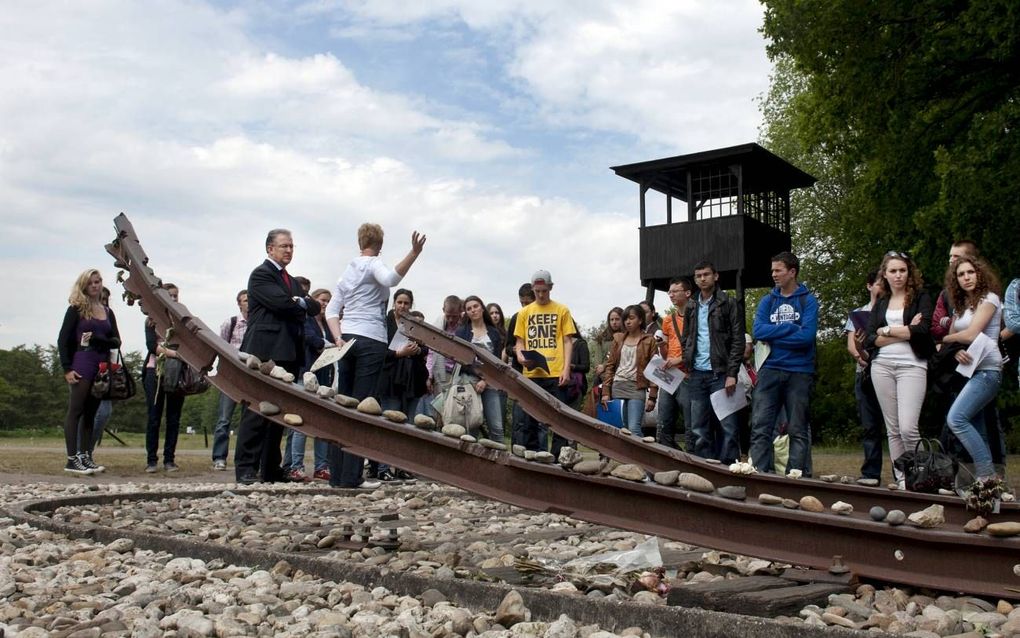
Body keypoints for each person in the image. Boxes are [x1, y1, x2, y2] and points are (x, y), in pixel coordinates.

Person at [325, 223, 426, 489]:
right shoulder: (372, 264)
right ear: (380, 245)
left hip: (346, 339)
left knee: (343, 403)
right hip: (371, 339)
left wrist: (338, 338)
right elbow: (391, 279)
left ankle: (338, 476)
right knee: (362, 406)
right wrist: (414, 253)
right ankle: (352, 476)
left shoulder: (347, 272)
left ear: (359, 242)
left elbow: (331, 311)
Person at [234, 230, 321, 484]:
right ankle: (246, 469)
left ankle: (270, 469)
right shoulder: (261, 275)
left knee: (279, 413)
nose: (289, 250)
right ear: (270, 249)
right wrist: (298, 302)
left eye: (292, 246)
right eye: (284, 246)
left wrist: (298, 301)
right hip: (265, 350)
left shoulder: (291, 280)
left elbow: (313, 307)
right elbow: (282, 304)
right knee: (256, 410)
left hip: (288, 352)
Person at [863, 251, 934, 489]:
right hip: (881, 366)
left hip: (912, 366)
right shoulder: (881, 301)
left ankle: (926, 475)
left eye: (902, 270)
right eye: (893, 271)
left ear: (909, 272)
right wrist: (903, 330)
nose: (898, 275)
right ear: (885, 274)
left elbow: (923, 330)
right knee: (893, 429)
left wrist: (886, 331)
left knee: (908, 427)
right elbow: (869, 340)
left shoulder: (921, 297)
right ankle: (902, 479)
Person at [749, 251, 819, 475]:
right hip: (769, 369)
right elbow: (758, 331)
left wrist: (775, 335)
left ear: (792, 272)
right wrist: (790, 328)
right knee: (760, 426)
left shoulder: (808, 300)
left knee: (798, 428)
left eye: (778, 270)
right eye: (772, 270)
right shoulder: (768, 300)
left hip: (799, 371)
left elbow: (807, 337)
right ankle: (759, 475)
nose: (773, 274)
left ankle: (798, 476)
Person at [941, 256, 1005, 487]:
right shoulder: (961, 307)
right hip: (967, 370)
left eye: (970, 272)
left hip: (988, 370)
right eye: (960, 274)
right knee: (975, 425)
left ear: (979, 274)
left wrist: (946, 340)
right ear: (955, 280)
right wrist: (955, 349)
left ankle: (987, 476)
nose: (966, 278)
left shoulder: (990, 298)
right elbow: (956, 341)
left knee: (956, 419)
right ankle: (986, 484)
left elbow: (971, 334)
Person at [681, 260, 744, 465]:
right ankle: (705, 471)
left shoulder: (728, 302)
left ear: (715, 276)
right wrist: (688, 363)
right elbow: (686, 338)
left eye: (706, 274)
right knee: (699, 427)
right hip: (697, 374)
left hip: (721, 373)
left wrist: (732, 373)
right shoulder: (691, 305)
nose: (702, 278)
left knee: (728, 426)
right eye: (698, 275)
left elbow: (738, 339)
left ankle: (730, 472)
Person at [58, 269, 121, 475]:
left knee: (91, 412)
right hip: (83, 361)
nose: (96, 285)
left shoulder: (107, 311)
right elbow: (63, 339)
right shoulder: (76, 309)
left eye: (99, 281)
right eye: (92, 282)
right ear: (84, 285)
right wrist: (67, 368)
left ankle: (85, 454)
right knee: (76, 409)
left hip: (101, 364)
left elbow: (116, 340)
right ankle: (71, 458)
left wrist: (97, 339)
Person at [513, 270, 577, 458]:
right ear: (533, 289)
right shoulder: (524, 313)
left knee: (558, 418)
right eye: (537, 291)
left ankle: (558, 458)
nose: (541, 295)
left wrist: (566, 369)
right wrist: (520, 357)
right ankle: (533, 456)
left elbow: (567, 341)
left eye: (544, 291)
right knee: (530, 418)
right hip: (533, 372)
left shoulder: (562, 310)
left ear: (550, 288)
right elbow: (519, 342)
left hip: (556, 372)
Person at [375, 288, 426, 482]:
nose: (403, 306)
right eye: (400, 302)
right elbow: (379, 351)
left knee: (409, 425)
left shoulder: (415, 325)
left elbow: (426, 349)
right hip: (390, 379)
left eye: (406, 303)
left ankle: (404, 467)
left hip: (412, 379)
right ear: (394, 303)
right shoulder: (384, 323)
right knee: (389, 423)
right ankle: (383, 467)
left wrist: (416, 350)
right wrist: (398, 353)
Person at [287, 284, 335, 482]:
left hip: (324, 373)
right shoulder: (305, 319)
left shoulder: (328, 325)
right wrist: (325, 344)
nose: (325, 304)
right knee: (302, 420)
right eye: (322, 300)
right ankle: (296, 466)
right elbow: (308, 338)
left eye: (328, 302)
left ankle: (321, 466)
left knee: (322, 422)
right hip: (307, 372)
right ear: (314, 300)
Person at [845, 270, 884, 485]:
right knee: (870, 425)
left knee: (896, 424)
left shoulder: (892, 311)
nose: (881, 287)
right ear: (869, 286)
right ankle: (871, 472)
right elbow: (852, 345)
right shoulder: (858, 313)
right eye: (878, 283)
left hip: (888, 369)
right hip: (865, 373)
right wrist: (860, 356)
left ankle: (904, 473)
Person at [143, 283, 186, 474]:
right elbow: (152, 346)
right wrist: (174, 354)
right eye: (170, 296)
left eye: (176, 296)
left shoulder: (182, 321)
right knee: (154, 417)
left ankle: (170, 459)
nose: (174, 299)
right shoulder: (152, 319)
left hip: (176, 374)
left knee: (173, 418)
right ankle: (151, 460)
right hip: (156, 371)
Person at [601, 305, 659, 437]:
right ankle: (623, 457)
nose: (627, 321)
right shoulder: (618, 339)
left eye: (631, 318)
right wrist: (605, 391)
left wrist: (652, 397)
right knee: (621, 428)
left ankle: (641, 457)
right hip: (618, 385)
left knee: (634, 428)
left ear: (640, 320)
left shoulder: (649, 340)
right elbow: (610, 366)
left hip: (637, 387)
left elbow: (654, 369)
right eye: (625, 319)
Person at [454, 295, 506, 442]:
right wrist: (478, 375)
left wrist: (485, 380)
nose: (473, 310)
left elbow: (497, 362)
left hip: (489, 382)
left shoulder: (494, 333)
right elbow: (461, 360)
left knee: (496, 427)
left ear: (482, 308)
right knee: (471, 426)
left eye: (475, 306)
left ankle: (500, 462)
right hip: (468, 381)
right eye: (469, 308)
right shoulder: (462, 332)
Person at [211, 289, 248, 471]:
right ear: (239, 303)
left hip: (250, 377)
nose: (249, 303)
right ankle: (219, 457)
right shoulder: (231, 323)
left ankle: (244, 458)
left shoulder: (257, 324)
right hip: (231, 375)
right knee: (224, 418)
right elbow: (220, 346)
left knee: (247, 419)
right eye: (245, 300)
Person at [657, 277, 692, 450]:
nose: (670, 295)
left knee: (690, 422)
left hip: (689, 374)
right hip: (670, 374)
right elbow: (665, 352)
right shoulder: (667, 320)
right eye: (669, 292)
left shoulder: (697, 316)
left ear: (687, 293)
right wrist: (661, 346)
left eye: (675, 291)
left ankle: (693, 460)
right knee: (664, 420)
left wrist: (681, 359)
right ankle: (666, 459)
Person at [504, 283, 536, 446]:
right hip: (520, 372)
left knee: (539, 420)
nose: (524, 306)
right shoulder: (517, 318)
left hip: (540, 374)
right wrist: (516, 350)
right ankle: (516, 453)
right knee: (519, 417)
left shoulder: (543, 317)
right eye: (521, 303)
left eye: (528, 303)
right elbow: (508, 347)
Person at [932, 239, 979, 342]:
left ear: (971, 259)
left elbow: (978, 329)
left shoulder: (986, 293)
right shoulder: (946, 294)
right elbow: (935, 327)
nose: (951, 260)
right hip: (955, 349)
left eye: (956, 256)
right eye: (950, 256)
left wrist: (947, 322)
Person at [591, 307, 625, 387]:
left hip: (619, 376)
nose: (614, 322)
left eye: (617, 319)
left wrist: (604, 365)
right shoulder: (601, 338)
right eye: (611, 319)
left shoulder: (627, 337)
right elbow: (597, 360)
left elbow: (620, 357)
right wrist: (599, 368)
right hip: (602, 377)